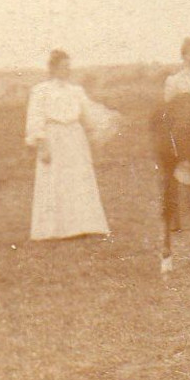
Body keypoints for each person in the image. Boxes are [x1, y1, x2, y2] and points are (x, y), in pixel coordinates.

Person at [24, 49, 117, 241]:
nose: (66, 71)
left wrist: (108, 118)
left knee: (78, 178)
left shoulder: (76, 91)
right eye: (62, 67)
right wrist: (42, 143)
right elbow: (35, 118)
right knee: (55, 180)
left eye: (68, 67)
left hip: (75, 138)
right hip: (53, 137)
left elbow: (88, 113)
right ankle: (55, 229)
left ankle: (83, 225)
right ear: (53, 68)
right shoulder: (41, 90)